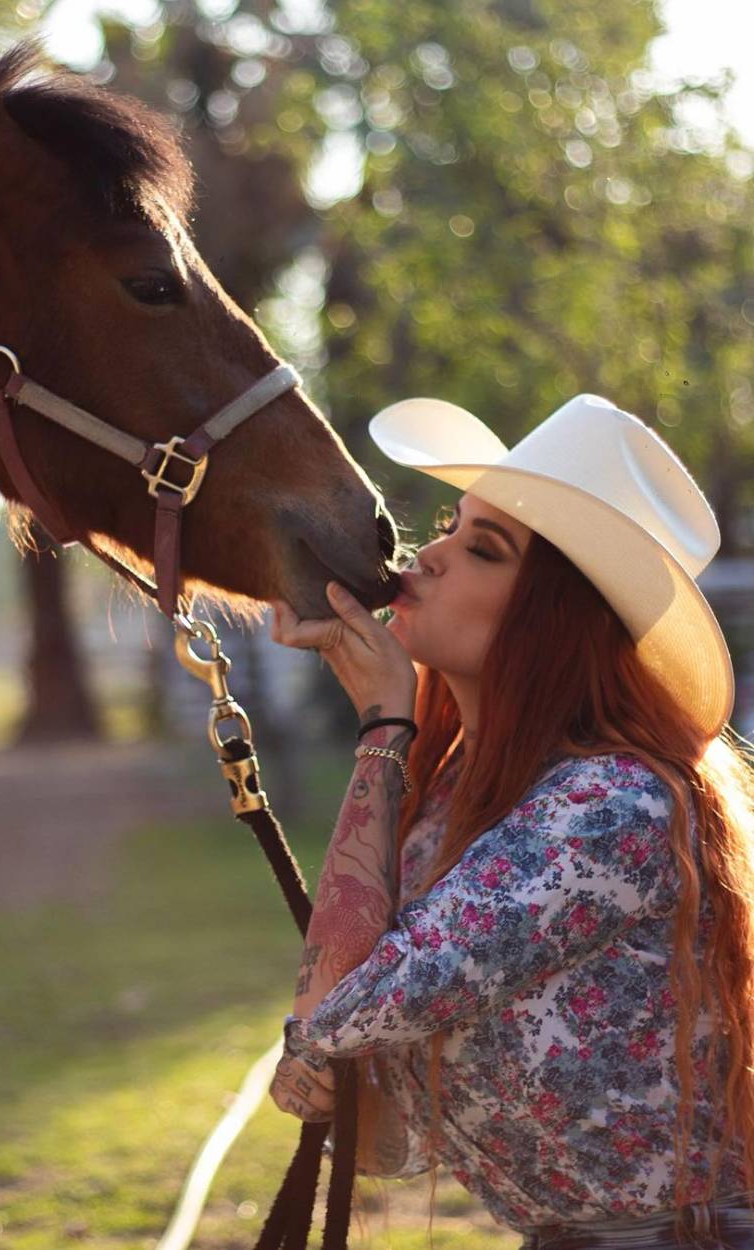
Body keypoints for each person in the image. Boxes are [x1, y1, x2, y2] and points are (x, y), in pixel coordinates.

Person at [267, 393, 754, 1250]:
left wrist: (385, 724)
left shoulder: (615, 808)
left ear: (553, 622)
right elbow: (386, 1129)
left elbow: (339, 1013)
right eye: (452, 526)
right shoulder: (453, 802)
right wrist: (338, 1079)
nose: (430, 555)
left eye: (481, 549)